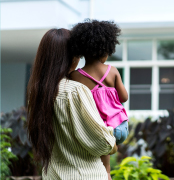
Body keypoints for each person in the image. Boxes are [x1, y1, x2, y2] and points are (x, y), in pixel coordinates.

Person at [26, 28, 118, 180]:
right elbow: (101, 143)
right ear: (70, 57)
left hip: (52, 175)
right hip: (84, 175)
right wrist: (112, 142)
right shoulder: (74, 91)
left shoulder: (36, 93)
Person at [69, 20, 129, 178]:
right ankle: (107, 172)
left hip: (97, 129)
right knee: (105, 150)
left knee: (102, 161)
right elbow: (124, 97)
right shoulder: (112, 71)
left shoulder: (75, 76)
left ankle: (106, 173)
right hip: (120, 126)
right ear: (106, 49)